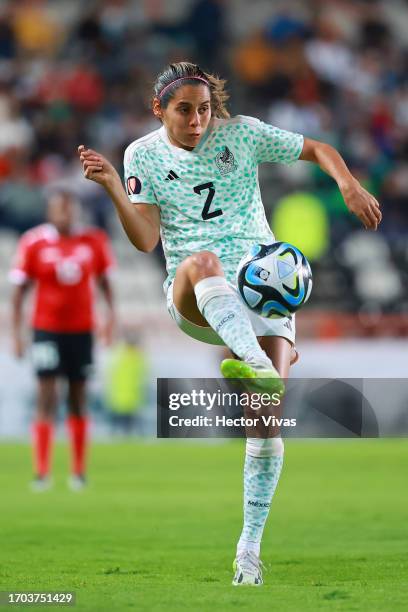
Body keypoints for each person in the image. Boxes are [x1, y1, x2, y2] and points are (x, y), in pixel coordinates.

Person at [77, 61, 382, 585]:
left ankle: (249, 550)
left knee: (265, 424)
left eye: (204, 108)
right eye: (184, 110)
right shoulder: (142, 155)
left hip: (263, 287)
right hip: (196, 296)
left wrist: (349, 185)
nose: (198, 119)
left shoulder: (241, 134)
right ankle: (256, 359)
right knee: (201, 261)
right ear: (159, 110)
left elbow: (318, 150)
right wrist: (112, 187)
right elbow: (147, 240)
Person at [10, 190, 115, 491]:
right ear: (50, 212)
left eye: (69, 210)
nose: (64, 215)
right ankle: (42, 472)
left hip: (82, 331)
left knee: (78, 397)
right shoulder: (34, 242)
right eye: (59, 210)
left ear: (76, 211)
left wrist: (110, 321)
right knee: (45, 395)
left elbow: (106, 285)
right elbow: (19, 293)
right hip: (46, 329)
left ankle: (78, 471)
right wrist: (17, 335)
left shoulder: (94, 241)